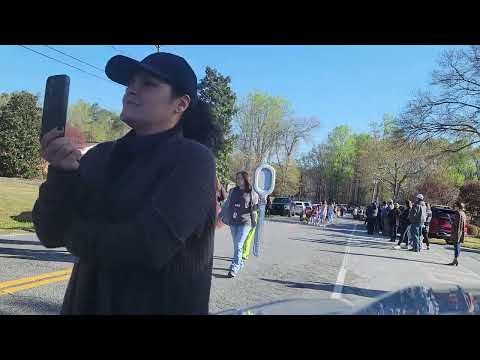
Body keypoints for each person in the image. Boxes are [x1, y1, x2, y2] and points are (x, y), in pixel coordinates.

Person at [32, 52, 219, 314]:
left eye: (148, 84)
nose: (131, 90)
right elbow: (49, 233)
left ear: (181, 104)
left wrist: (71, 234)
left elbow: (148, 246)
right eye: (131, 82)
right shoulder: (99, 156)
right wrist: (60, 174)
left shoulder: (194, 160)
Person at [224, 171, 259, 277]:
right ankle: (240, 262)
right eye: (237, 178)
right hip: (233, 222)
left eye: (240, 178)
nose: (238, 180)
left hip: (245, 222)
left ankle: (234, 267)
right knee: (237, 245)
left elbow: (255, 208)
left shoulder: (252, 192)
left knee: (239, 244)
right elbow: (227, 204)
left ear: (245, 179)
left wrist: (261, 204)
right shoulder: (232, 191)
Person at [448, 202, 467, 266]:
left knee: (456, 245)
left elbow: (455, 224)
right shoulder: (463, 213)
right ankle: (455, 259)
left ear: (459, 207)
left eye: (456, 206)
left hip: (456, 231)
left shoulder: (457, 213)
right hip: (461, 232)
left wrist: (450, 221)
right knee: (458, 245)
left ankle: (455, 259)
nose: (455, 207)